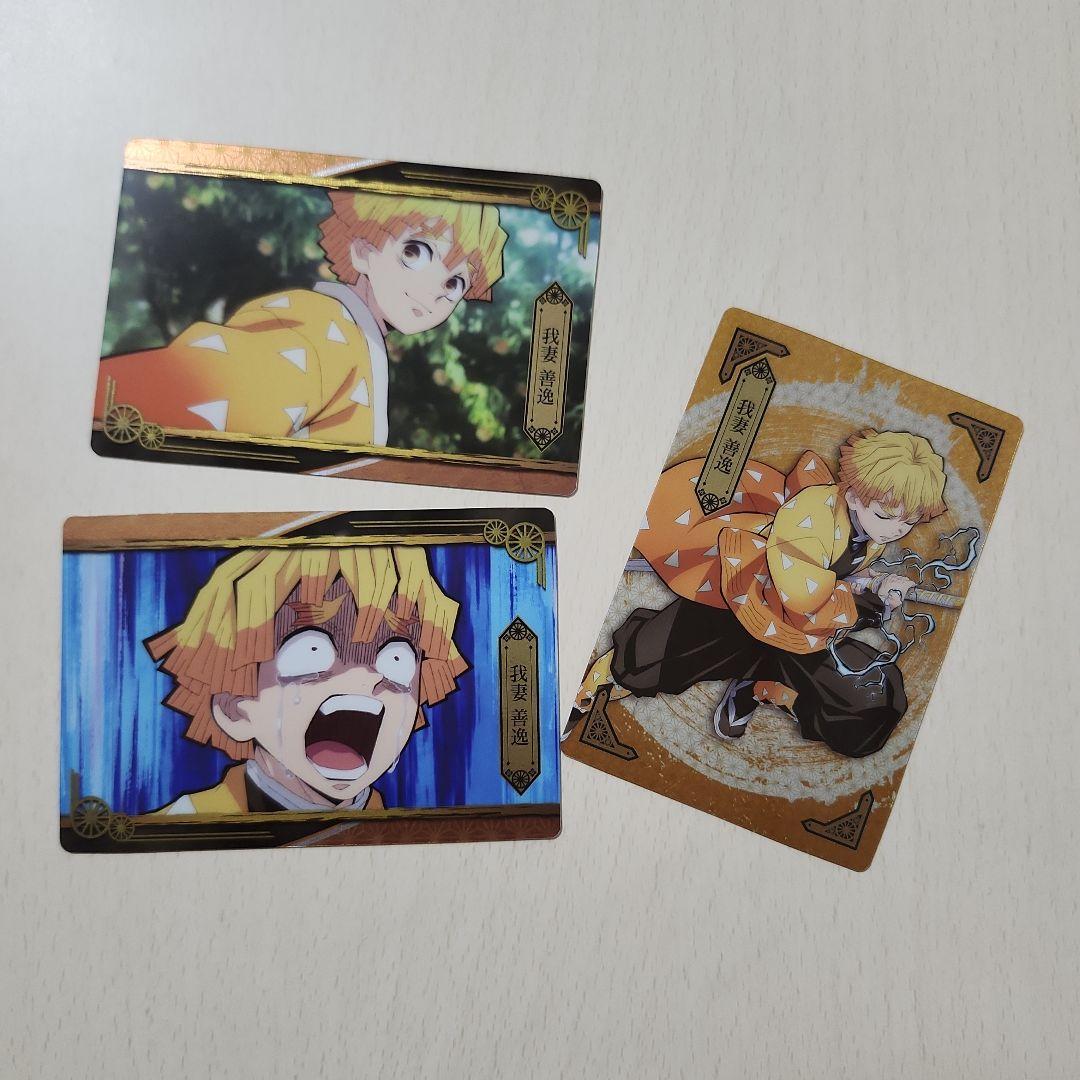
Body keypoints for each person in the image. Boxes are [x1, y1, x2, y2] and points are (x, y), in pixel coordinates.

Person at [576, 429, 948, 758]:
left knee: (872, 702)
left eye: (908, 522)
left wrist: (873, 585)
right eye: (885, 516)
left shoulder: (870, 529)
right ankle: (589, 691)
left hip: (794, 634)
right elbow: (803, 600)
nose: (895, 530)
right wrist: (868, 600)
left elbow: (841, 576)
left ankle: (759, 689)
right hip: (743, 605)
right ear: (852, 496)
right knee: (646, 661)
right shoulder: (810, 516)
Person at [94, 191, 507, 447]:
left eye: (455, 282)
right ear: (362, 250)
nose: (436, 289)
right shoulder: (325, 329)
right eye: (415, 252)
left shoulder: (352, 337)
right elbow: (211, 388)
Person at [146, 545, 467, 814]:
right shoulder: (181, 823)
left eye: (397, 660)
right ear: (235, 708)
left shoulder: (405, 835)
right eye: (311, 652)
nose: (364, 679)